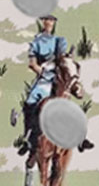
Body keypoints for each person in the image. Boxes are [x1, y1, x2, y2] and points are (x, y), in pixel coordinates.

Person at [17, 12, 69, 155]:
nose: (49, 23)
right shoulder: (36, 42)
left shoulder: (59, 41)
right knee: (31, 101)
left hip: (58, 76)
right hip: (45, 78)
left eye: (51, 20)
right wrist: (43, 72)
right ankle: (28, 138)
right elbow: (32, 64)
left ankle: (80, 137)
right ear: (43, 22)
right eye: (47, 20)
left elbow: (62, 59)